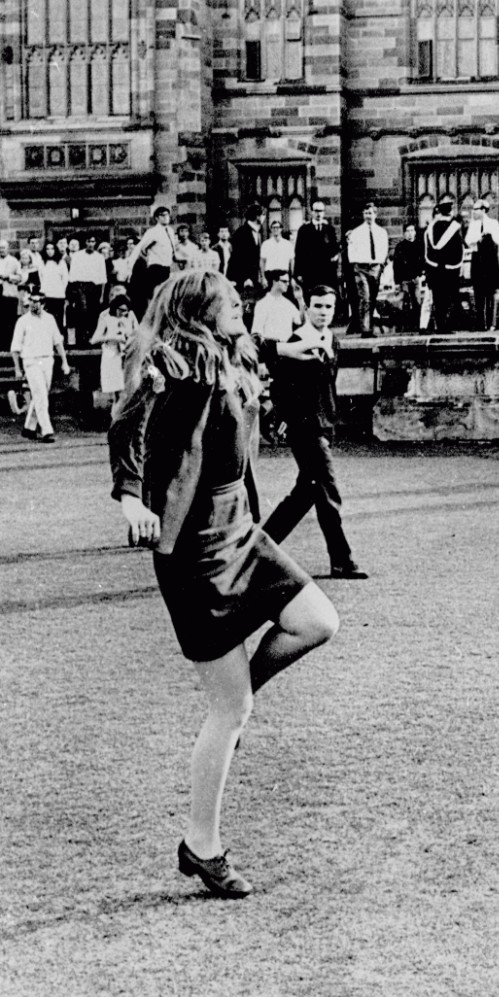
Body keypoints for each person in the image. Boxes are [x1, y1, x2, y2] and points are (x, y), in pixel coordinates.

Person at [108, 269, 339, 899]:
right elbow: (127, 424)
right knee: (230, 706)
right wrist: (131, 498)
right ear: (199, 310)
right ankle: (201, 845)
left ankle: (232, 703)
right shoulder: (170, 362)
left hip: (240, 526)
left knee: (318, 620)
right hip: (194, 547)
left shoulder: (233, 359)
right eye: (230, 302)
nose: (241, 306)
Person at [259, 284, 368, 581]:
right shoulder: (296, 342)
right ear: (307, 307)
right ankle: (342, 560)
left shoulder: (334, 341)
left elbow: (328, 385)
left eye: (328, 307)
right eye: (317, 306)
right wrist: (289, 422)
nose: (323, 312)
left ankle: (254, 552)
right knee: (328, 492)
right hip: (304, 429)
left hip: (325, 425)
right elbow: (280, 389)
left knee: (304, 495)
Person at [11, 290, 71, 442]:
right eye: (32, 300)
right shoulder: (23, 321)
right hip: (31, 361)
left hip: (47, 360)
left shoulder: (50, 319)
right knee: (41, 396)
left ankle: (29, 428)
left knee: (41, 395)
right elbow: (15, 348)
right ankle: (47, 430)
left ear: (43, 303)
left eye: (37, 301)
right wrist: (17, 369)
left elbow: (57, 341)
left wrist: (64, 361)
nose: (34, 304)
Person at [345, 202, 388, 337]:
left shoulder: (381, 232)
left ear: (375, 214)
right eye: (366, 213)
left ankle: (369, 326)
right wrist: (356, 266)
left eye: (370, 213)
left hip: (375, 267)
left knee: (373, 298)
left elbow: (384, 249)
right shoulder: (357, 232)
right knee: (365, 297)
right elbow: (351, 251)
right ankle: (366, 330)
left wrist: (380, 265)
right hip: (361, 268)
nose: (368, 216)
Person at [128, 207, 178, 316]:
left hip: (167, 267)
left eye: (167, 215)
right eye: (162, 215)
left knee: (167, 295)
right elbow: (141, 248)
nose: (166, 218)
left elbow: (172, 249)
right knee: (155, 295)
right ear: (157, 218)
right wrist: (148, 258)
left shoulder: (170, 230)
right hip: (156, 267)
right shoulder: (153, 232)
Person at [424, 199, 464, 333]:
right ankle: (447, 326)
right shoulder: (454, 227)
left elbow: (428, 251)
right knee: (449, 298)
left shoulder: (430, 228)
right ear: (450, 212)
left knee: (438, 299)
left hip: (435, 269)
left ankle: (440, 325)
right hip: (450, 269)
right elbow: (458, 249)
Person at [90, 293, 136, 404]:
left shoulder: (130, 316)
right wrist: (112, 337)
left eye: (125, 311)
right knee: (117, 389)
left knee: (128, 388)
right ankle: (116, 413)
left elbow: (137, 333)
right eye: (120, 310)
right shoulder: (105, 317)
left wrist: (129, 337)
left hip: (127, 354)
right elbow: (94, 339)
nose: (122, 313)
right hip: (112, 355)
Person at [465, 200, 499, 331]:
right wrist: (478, 237)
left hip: (490, 260)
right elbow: (468, 241)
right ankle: (480, 323)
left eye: (476, 209)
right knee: (478, 294)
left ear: (482, 210)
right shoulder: (473, 225)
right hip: (478, 260)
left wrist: (490, 235)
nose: (474, 212)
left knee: (489, 293)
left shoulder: (493, 224)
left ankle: (490, 323)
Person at [292, 200, 342, 297]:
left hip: (327, 271)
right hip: (310, 271)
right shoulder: (304, 229)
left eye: (321, 211)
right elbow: (299, 252)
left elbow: (335, 249)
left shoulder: (329, 229)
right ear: (311, 212)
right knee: (311, 297)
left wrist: (335, 257)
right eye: (316, 211)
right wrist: (298, 273)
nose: (319, 214)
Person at [67, 235, 109, 345]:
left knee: (93, 313)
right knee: (82, 312)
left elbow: (103, 277)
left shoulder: (99, 257)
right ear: (85, 242)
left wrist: (102, 295)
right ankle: (81, 339)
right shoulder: (77, 256)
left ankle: (92, 339)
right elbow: (72, 276)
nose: (91, 244)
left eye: (93, 241)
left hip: (94, 288)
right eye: (88, 241)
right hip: (80, 287)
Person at [251, 271, 302, 342]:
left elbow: (300, 321)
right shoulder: (262, 304)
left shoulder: (288, 304)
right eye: (284, 281)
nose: (287, 284)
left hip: (288, 349)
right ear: (274, 282)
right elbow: (256, 334)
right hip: (270, 350)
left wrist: (300, 299)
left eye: (288, 281)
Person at [227, 203, 265, 298]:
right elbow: (238, 259)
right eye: (262, 215)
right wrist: (245, 278)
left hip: (255, 280)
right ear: (257, 217)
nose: (264, 218)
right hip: (243, 281)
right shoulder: (241, 233)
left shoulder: (259, 232)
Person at [391, 222, 424, 332]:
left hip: (416, 278)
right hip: (404, 279)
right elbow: (396, 265)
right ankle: (405, 326)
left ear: (415, 232)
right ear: (404, 233)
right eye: (407, 231)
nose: (410, 233)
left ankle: (417, 325)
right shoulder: (400, 247)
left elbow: (422, 262)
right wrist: (397, 281)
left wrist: (420, 275)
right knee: (405, 302)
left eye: (412, 230)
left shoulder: (420, 245)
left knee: (417, 302)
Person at [37, 241, 69, 341]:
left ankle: (58, 340)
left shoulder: (61, 262)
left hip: (58, 295)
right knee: (46, 318)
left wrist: (60, 290)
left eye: (52, 249)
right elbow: (41, 278)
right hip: (47, 295)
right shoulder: (42, 263)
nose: (50, 251)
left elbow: (65, 279)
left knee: (58, 318)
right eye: (47, 249)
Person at [0, 240, 21, 349]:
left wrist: (9, 277)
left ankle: (9, 345)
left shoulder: (14, 261)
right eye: (0, 248)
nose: (1, 250)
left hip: (10, 294)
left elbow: (20, 277)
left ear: (8, 249)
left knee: (10, 320)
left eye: (3, 247)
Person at [259, 219, 294, 283]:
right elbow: (262, 261)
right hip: (270, 275)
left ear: (281, 229)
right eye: (273, 227)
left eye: (277, 227)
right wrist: (263, 278)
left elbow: (291, 261)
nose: (275, 229)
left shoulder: (288, 244)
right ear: (271, 229)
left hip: (283, 274)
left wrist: (291, 278)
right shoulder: (266, 244)